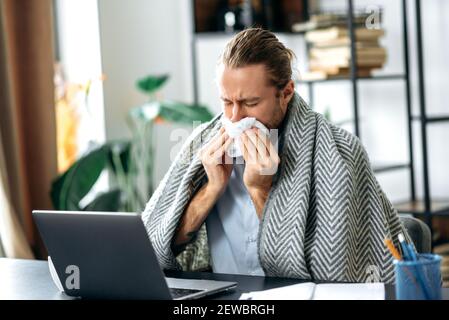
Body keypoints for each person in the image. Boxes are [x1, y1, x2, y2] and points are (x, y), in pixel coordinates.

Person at [142, 28, 410, 283]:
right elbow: (152, 251)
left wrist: (260, 190)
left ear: (286, 92)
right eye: (226, 102)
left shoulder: (339, 151)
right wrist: (210, 190)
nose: (235, 117)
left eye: (251, 103)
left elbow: (329, 275)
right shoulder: (203, 144)